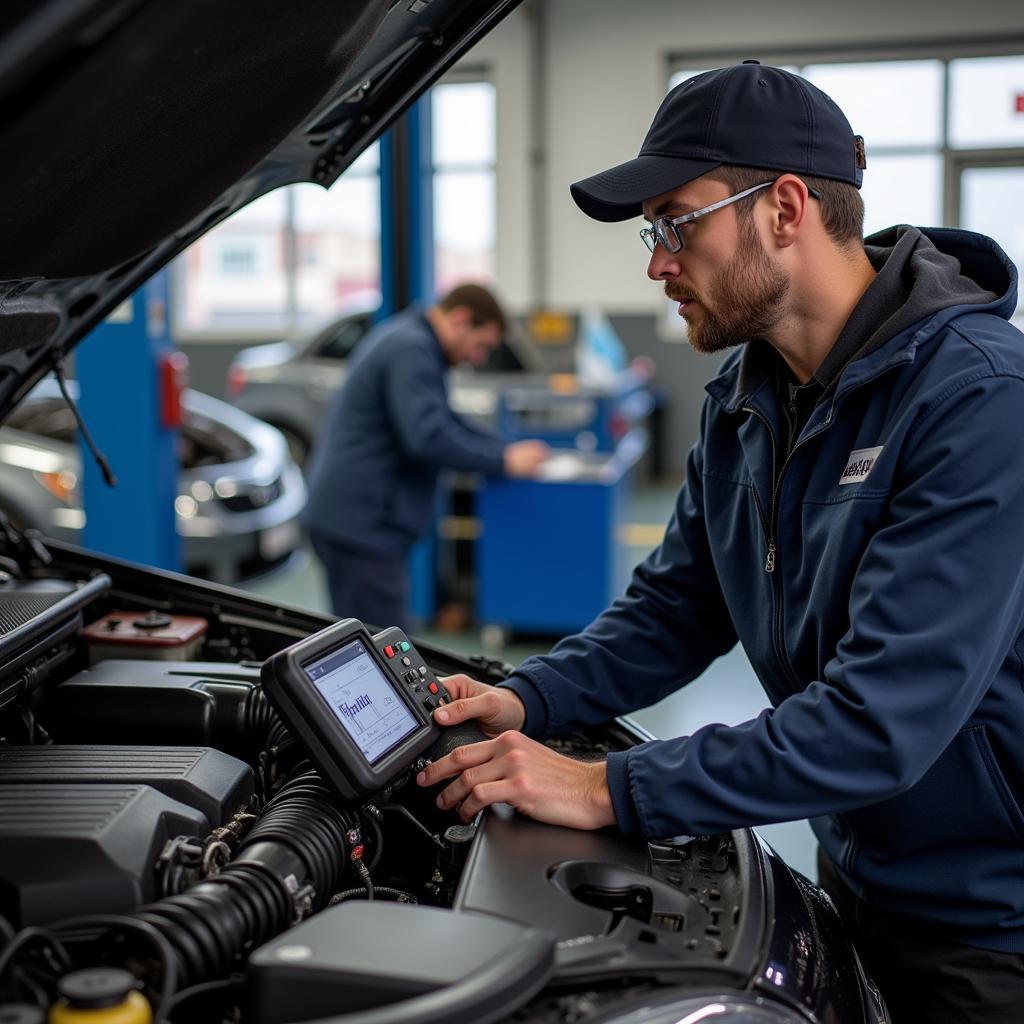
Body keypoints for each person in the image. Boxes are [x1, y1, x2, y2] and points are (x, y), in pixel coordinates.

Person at [416, 62, 1024, 1021]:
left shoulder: (979, 402)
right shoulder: (749, 398)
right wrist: (527, 698)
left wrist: (608, 787)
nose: (656, 263)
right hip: (856, 868)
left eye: (675, 222)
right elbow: (675, 606)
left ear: (784, 208)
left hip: (990, 925)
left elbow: (880, 721)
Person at [303, 283, 548, 629]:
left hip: (357, 520)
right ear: (461, 320)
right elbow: (428, 436)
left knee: (366, 644)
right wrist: (503, 462)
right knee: (381, 650)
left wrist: (502, 448)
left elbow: (443, 418)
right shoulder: (412, 349)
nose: (477, 358)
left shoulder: (413, 342)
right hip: (361, 526)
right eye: (481, 346)